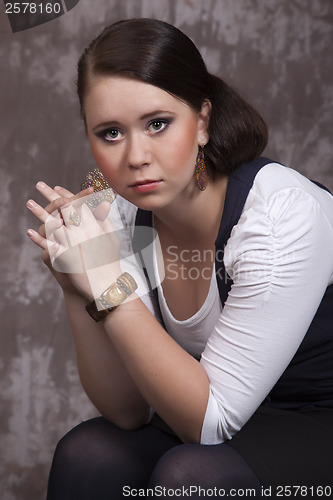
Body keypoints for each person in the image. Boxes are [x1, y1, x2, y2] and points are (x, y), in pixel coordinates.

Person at [26, 18, 333, 499]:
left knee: (193, 477)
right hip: (212, 412)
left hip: (314, 416)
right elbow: (128, 411)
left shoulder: (278, 215)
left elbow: (210, 425)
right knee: (87, 453)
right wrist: (77, 285)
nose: (136, 156)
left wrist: (110, 283)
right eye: (110, 133)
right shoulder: (125, 216)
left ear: (203, 122)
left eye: (157, 124)